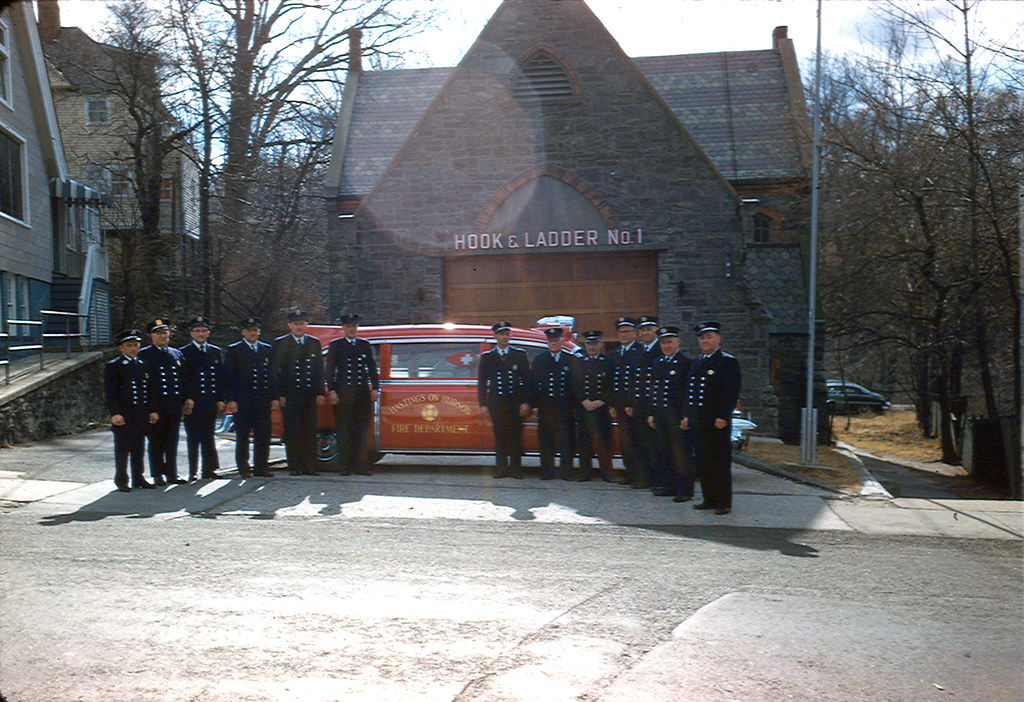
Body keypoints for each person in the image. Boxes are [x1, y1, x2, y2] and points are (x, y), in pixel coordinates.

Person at [684, 320, 742, 515]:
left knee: (719, 463)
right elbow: (690, 393)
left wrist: (723, 416)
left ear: (718, 338)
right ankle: (708, 499)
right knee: (702, 462)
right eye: (702, 337)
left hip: (716, 422)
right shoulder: (697, 361)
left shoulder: (727, 361)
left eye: (709, 337)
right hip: (698, 422)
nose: (705, 340)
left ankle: (723, 502)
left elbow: (730, 392)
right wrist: (687, 417)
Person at [271, 309, 327, 475]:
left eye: (302, 323)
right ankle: (295, 466)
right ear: (290, 325)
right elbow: (274, 371)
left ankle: (310, 466)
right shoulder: (281, 343)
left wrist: (319, 392)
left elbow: (318, 370)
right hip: (290, 395)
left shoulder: (314, 343)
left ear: (306, 325)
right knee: (292, 431)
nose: (299, 327)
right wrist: (277, 394)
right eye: (295, 324)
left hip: (309, 394)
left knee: (310, 430)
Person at [104, 329, 159, 492]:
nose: (134, 348)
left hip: (141, 413)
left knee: (139, 447)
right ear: (121, 348)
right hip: (124, 414)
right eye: (129, 345)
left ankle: (138, 477)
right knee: (122, 448)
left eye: (136, 345)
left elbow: (150, 390)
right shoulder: (114, 365)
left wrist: (152, 410)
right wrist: (115, 413)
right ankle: (121, 479)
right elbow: (110, 392)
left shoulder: (143, 364)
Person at [325, 312, 379, 475]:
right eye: (348, 327)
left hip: (361, 394)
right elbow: (329, 370)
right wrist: (332, 390)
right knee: (344, 430)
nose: (352, 329)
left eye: (354, 326)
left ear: (357, 328)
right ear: (343, 328)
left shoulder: (364, 345)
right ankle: (344, 466)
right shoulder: (336, 345)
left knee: (361, 431)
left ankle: (360, 465)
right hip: (343, 394)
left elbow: (371, 368)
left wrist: (375, 388)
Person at [646, 326, 694, 502]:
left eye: (669, 342)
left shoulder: (686, 363)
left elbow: (690, 393)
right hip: (661, 415)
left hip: (677, 416)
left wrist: (686, 416)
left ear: (677, 342)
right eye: (663, 342)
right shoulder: (658, 362)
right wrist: (652, 413)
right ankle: (668, 486)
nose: (666, 346)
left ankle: (685, 490)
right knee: (664, 452)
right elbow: (654, 390)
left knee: (681, 453)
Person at [477, 321, 530, 479]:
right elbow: (482, 382)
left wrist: (526, 402)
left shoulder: (519, 354)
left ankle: (515, 469)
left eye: (507, 334)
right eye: (501, 334)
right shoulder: (487, 357)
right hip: (497, 403)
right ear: (496, 336)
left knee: (515, 436)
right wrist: (483, 404)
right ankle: (501, 469)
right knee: (499, 436)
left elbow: (527, 380)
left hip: (515, 402)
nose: (505, 337)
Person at [223, 316, 275, 478]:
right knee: (243, 436)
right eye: (250, 331)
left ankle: (261, 466)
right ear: (243, 332)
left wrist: (274, 397)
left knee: (263, 435)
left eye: (256, 330)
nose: (253, 333)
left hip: (262, 400)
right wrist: (230, 400)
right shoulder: (234, 350)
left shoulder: (266, 349)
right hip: (242, 400)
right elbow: (228, 377)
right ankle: (243, 467)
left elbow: (272, 376)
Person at [138, 318, 187, 486]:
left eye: (165, 333)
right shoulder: (144, 354)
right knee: (156, 441)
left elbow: (182, 380)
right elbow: (145, 384)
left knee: (172, 441)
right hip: (156, 406)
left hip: (174, 405)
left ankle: (172, 474)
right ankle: (157, 474)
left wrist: (184, 401)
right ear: (152, 336)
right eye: (159, 334)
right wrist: (150, 408)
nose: (163, 336)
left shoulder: (176, 353)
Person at [179, 316, 225, 481]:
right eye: (197, 331)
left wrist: (221, 398)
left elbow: (220, 376)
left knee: (208, 436)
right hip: (193, 402)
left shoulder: (215, 351)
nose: (201, 333)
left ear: (208, 332)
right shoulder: (184, 352)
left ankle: (209, 469)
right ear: (191, 333)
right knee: (193, 437)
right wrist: (187, 398)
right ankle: (193, 470)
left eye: (203, 330)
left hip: (210, 400)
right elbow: (184, 379)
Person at [528, 327, 577, 480]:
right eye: (551, 341)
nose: (554, 344)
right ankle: (547, 471)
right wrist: (534, 405)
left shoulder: (570, 360)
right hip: (545, 407)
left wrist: (574, 406)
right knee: (546, 441)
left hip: (564, 407)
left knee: (566, 442)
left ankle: (566, 472)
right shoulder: (540, 360)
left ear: (562, 341)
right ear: (547, 343)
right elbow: (533, 385)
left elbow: (575, 385)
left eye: (556, 341)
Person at [573, 330, 618, 482]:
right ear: (584, 345)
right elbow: (574, 384)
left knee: (604, 441)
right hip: (584, 408)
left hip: (601, 408)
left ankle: (607, 473)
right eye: (588, 344)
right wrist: (583, 400)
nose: (591, 347)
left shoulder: (608, 361)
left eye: (594, 343)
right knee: (584, 441)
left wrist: (602, 400)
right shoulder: (579, 362)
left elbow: (612, 384)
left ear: (600, 344)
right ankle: (585, 472)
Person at [609, 316, 645, 487]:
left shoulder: (641, 351)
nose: (623, 335)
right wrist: (612, 405)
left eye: (627, 331)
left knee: (639, 441)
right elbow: (612, 382)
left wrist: (633, 404)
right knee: (625, 442)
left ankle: (642, 476)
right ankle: (630, 473)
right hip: (620, 405)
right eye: (621, 332)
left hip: (635, 405)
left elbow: (640, 382)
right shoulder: (616, 354)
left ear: (634, 333)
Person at [632, 315, 661, 489]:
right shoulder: (640, 351)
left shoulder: (661, 349)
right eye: (642, 330)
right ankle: (644, 478)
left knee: (656, 446)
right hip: (640, 406)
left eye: (649, 329)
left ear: (656, 330)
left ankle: (657, 480)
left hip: (655, 406)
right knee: (642, 444)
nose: (645, 333)